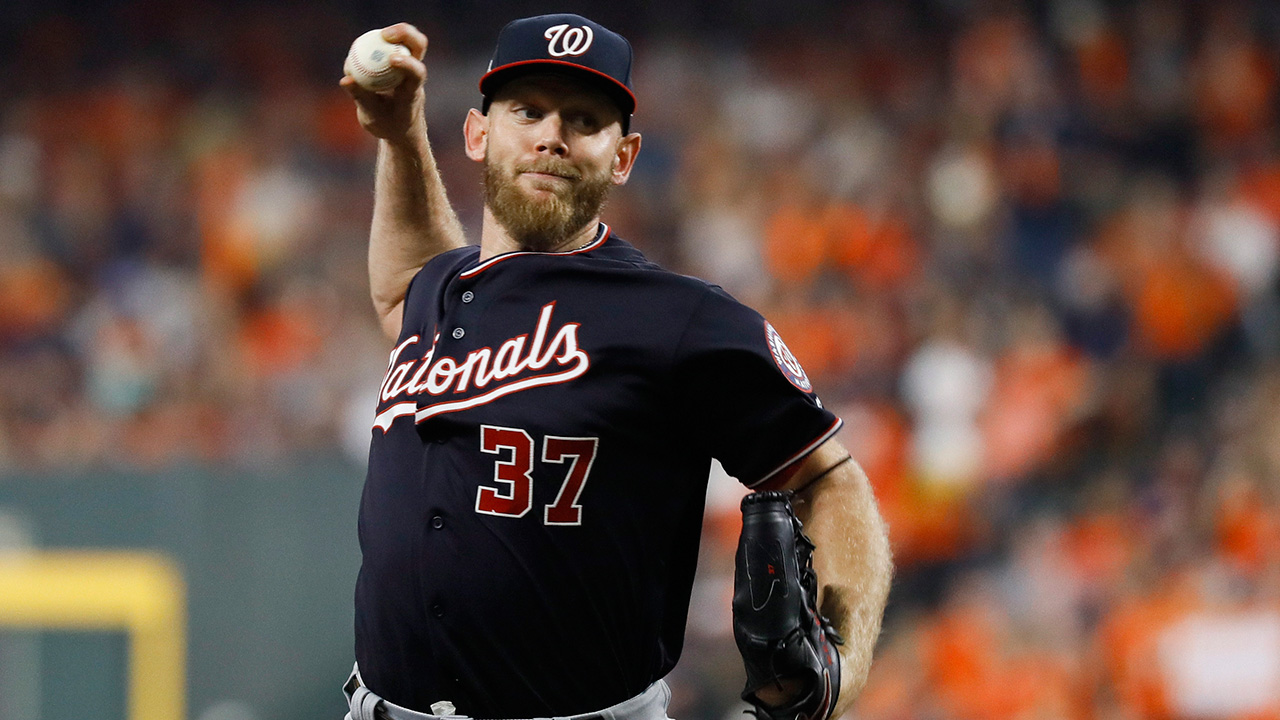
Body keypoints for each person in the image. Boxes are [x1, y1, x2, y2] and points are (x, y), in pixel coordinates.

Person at [339, 13, 892, 720]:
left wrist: (843, 666)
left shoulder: (679, 319)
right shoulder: (438, 291)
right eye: (528, 111)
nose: (552, 136)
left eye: (584, 120)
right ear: (478, 135)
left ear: (623, 156)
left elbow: (828, 478)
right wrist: (399, 133)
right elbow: (405, 283)